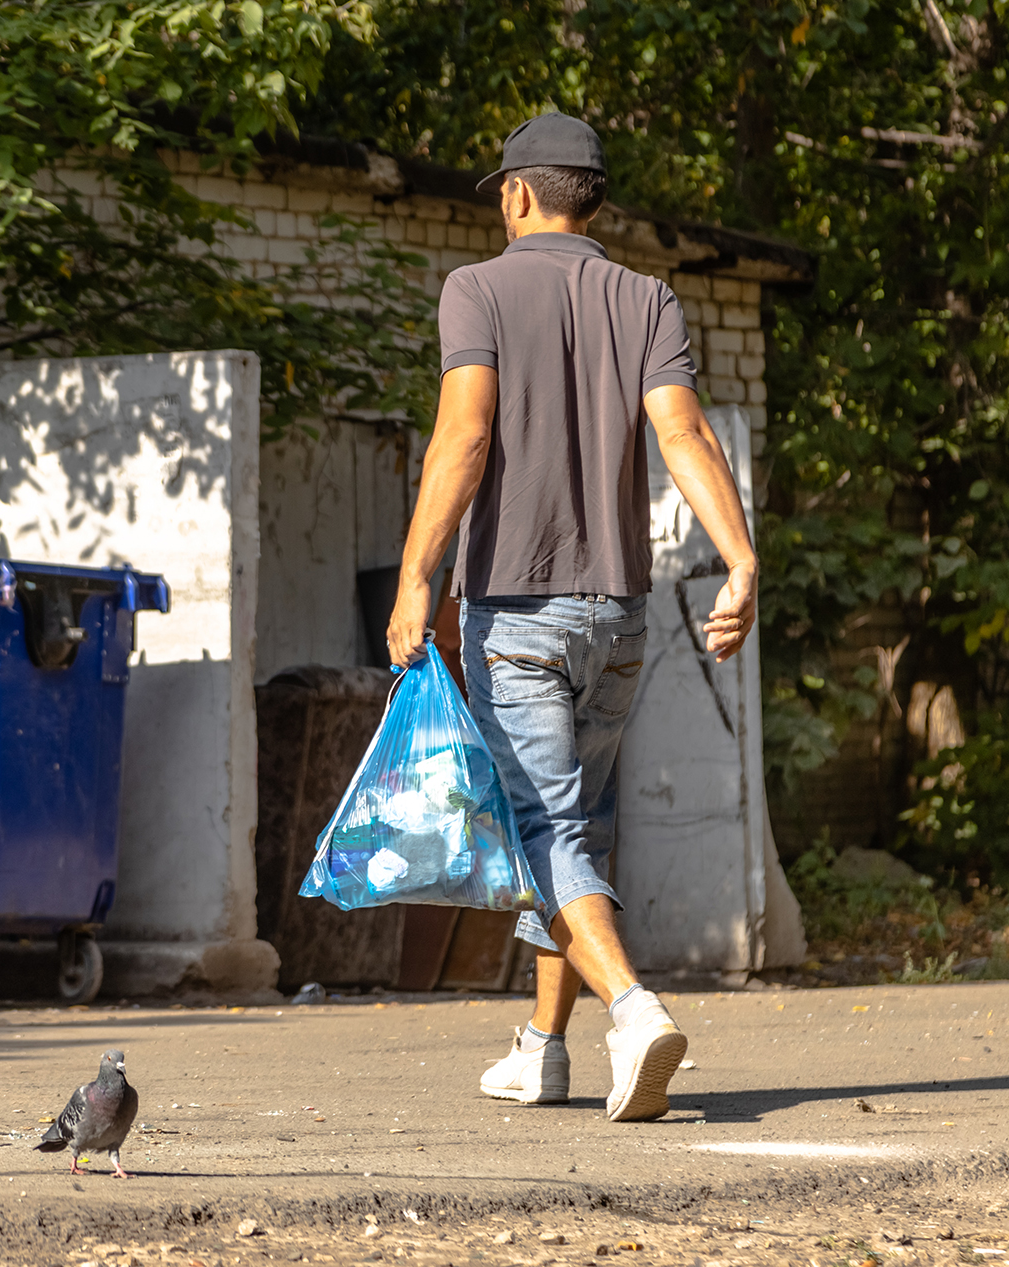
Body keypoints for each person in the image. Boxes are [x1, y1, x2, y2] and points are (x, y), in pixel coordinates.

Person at [385, 113, 759, 1123]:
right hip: (618, 619)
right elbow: (679, 430)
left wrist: (418, 576)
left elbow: (462, 436)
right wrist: (740, 558)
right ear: (592, 200)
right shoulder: (647, 298)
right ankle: (542, 1049)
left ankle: (633, 1013)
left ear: (514, 194)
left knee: (546, 830)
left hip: (517, 610)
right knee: (573, 830)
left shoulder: (477, 289)